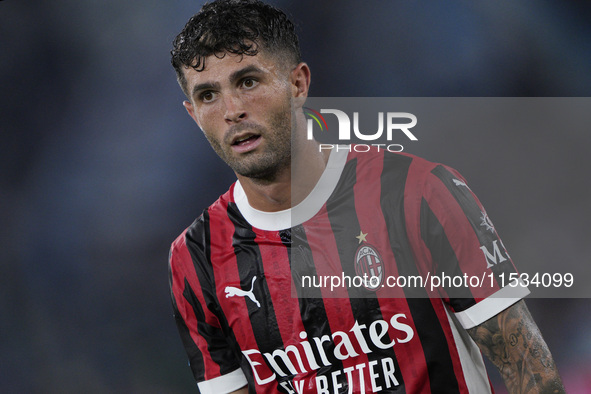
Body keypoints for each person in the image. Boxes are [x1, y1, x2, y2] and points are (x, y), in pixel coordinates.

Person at [168, 1, 566, 393]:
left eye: (248, 82)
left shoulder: (417, 192)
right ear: (192, 114)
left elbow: (531, 374)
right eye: (208, 96)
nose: (232, 110)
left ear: (298, 84)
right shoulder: (195, 260)